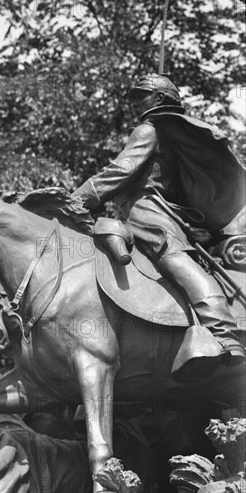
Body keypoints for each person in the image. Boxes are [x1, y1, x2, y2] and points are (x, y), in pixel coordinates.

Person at [73, 74, 245, 377]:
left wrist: (74, 201)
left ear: (161, 99)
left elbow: (120, 171)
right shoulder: (161, 131)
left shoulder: (148, 130)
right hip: (133, 212)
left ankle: (223, 332)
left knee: (174, 257)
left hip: (148, 212)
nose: (136, 103)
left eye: (143, 95)